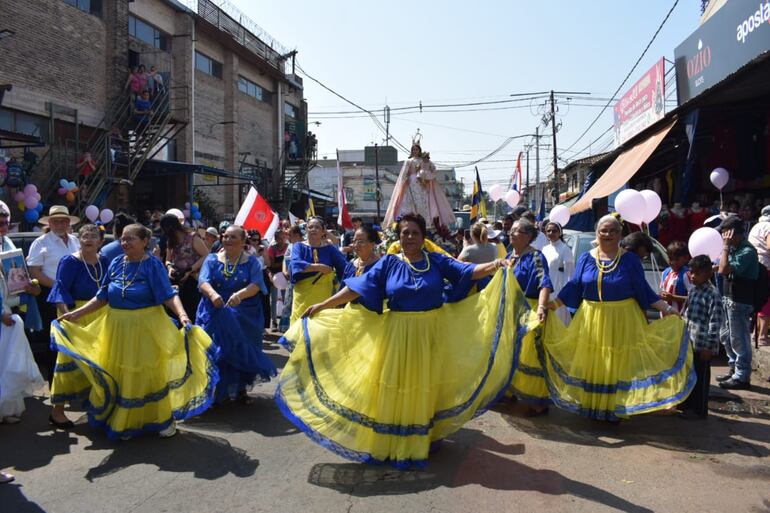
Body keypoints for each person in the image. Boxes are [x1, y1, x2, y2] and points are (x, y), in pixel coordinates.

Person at [275, 213, 522, 468]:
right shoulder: (389, 263)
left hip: (430, 334)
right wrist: (324, 304)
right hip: (398, 335)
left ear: (423, 237)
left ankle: (418, 440)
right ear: (399, 237)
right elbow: (357, 287)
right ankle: (393, 442)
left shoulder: (435, 260)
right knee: (397, 386)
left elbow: (468, 272)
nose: (410, 237)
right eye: (405, 233)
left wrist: (496, 265)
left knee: (423, 385)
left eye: (415, 232)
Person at [53, 224, 218, 439]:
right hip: (116, 328)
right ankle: (126, 420)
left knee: (147, 373)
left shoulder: (152, 265)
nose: (125, 243)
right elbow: (102, 296)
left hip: (145, 327)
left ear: (144, 242)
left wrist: (183, 315)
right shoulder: (115, 263)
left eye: (130, 239)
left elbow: (168, 294)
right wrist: (76, 314)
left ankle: (162, 420)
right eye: (122, 238)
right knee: (121, 374)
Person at [545, 215, 693, 421]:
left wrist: (667, 308)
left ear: (620, 235)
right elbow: (574, 285)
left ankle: (614, 408)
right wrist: (552, 305)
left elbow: (643, 289)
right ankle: (594, 406)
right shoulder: (585, 258)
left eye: (612, 231)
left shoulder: (629, 260)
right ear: (597, 234)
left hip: (622, 320)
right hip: (591, 319)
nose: (607, 234)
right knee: (595, 361)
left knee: (617, 362)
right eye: (603, 231)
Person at [197, 226, 276, 404]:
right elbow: (203, 281)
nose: (227, 240)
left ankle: (240, 389)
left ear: (243, 242)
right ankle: (215, 389)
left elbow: (256, 284)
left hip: (244, 310)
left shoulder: (252, 262)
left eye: (233, 237)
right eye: (225, 236)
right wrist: (213, 294)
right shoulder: (211, 259)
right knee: (215, 349)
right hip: (214, 309)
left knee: (241, 349)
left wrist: (239, 295)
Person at [47, 224, 110, 428]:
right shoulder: (70, 261)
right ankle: (57, 412)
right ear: (79, 239)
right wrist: (67, 317)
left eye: (93, 236)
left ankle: (98, 406)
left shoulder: (105, 261)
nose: (88, 239)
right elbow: (60, 290)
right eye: (84, 235)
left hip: (102, 315)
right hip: (76, 315)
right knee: (68, 363)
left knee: (101, 362)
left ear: (101, 241)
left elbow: (111, 288)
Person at [27, 206, 81, 383]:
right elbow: (34, 271)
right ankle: (56, 385)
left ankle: (74, 384)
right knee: (55, 342)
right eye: (56, 221)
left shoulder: (75, 240)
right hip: (50, 295)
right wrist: (58, 286)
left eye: (63, 221)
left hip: (75, 296)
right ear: (49, 223)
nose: (60, 224)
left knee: (75, 339)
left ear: (68, 223)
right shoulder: (41, 242)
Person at [506, 219, 553, 415]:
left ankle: (537, 401)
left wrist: (541, 307)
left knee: (531, 356)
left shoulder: (536, 256)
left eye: (517, 231)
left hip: (530, 311)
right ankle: (510, 391)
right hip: (511, 311)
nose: (511, 233)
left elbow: (545, 283)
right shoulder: (510, 256)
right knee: (511, 353)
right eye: (511, 230)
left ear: (528, 236)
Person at [717, 216, 759, 390]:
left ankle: (742, 377)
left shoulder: (747, 251)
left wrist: (725, 247)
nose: (722, 238)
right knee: (726, 336)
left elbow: (724, 269)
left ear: (732, 233)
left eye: (725, 234)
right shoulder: (735, 249)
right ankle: (734, 368)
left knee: (739, 338)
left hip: (740, 301)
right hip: (729, 298)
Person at [680, 255, 723, 419]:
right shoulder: (693, 290)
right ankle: (687, 405)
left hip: (703, 345)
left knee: (701, 379)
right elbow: (687, 314)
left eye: (697, 273)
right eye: (691, 272)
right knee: (689, 376)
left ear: (708, 274)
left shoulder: (713, 295)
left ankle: (699, 410)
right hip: (690, 342)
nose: (692, 276)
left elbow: (715, 322)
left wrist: (709, 347)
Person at [287, 217, 347, 328]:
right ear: (306, 229)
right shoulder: (298, 246)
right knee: (301, 328)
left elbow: (344, 268)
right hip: (302, 298)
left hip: (323, 298)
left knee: (321, 330)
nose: (313, 229)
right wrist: (319, 267)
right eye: (310, 227)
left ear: (323, 231)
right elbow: (296, 264)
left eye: (317, 227)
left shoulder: (330, 249)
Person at [382, 140, 455, 232]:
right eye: (413, 149)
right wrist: (405, 182)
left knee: (423, 202)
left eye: (416, 149)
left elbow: (432, 169)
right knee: (410, 204)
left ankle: (426, 222)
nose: (415, 151)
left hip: (422, 184)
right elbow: (404, 174)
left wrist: (426, 168)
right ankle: (407, 222)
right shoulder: (408, 161)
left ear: (419, 150)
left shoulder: (423, 160)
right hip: (411, 183)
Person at [161, 214, 208, 319]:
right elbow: (168, 260)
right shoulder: (170, 241)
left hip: (193, 279)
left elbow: (206, 255)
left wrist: (190, 270)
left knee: (191, 311)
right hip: (176, 281)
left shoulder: (192, 237)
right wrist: (170, 269)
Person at [541, 222, 575, 325]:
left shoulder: (565, 249)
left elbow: (570, 275)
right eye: (548, 231)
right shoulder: (544, 249)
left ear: (560, 233)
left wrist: (563, 296)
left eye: (554, 231)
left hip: (558, 291)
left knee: (557, 323)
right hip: (545, 289)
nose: (551, 233)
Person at [748, 205, 770, 346]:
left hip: (755, 266)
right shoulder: (768, 227)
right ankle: (762, 336)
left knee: (759, 299)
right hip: (766, 267)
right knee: (767, 300)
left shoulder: (756, 226)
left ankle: (756, 334)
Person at [660, 241, 692, 315]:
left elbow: (693, 299)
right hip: (666, 318)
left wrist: (673, 298)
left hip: (681, 317)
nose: (673, 262)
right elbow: (662, 291)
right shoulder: (665, 273)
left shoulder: (687, 275)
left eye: (677, 259)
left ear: (685, 258)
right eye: (671, 259)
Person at [267, 229, 288, 330]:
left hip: (285, 276)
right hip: (274, 276)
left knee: (286, 299)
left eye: (283, 237)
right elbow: (271, 264)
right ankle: (274, 322)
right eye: (279, 238)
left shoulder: (288, 247)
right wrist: (284, 262)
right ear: (275, 239)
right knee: (274, 300)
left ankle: (284, 322)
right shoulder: (272, 249)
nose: (282, 240)